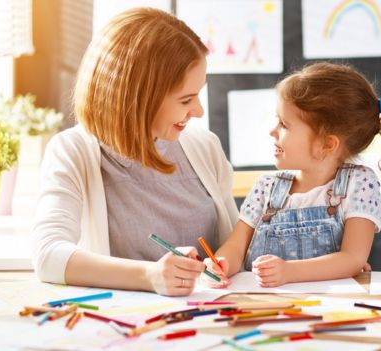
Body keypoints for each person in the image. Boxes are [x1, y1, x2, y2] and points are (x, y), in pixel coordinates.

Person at [31, 8, 238, 296]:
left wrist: (224, 262)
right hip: (126, 330)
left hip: (207, 321)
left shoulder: (205, 148)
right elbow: (48, 255)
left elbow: (235, 243)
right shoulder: (74, 151)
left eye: (198, 94)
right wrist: (150, 276)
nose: (199, 110)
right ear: (139, 98)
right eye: (186, 99)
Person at [204, 62, 381, 288]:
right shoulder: (266, 188)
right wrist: (222, 263)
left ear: (327, 144)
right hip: (266, 306)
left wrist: (289, 271)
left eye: (284, 125)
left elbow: (352, 258)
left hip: (331, 310)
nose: (272, 131)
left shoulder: (358, 184)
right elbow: (235, 247)